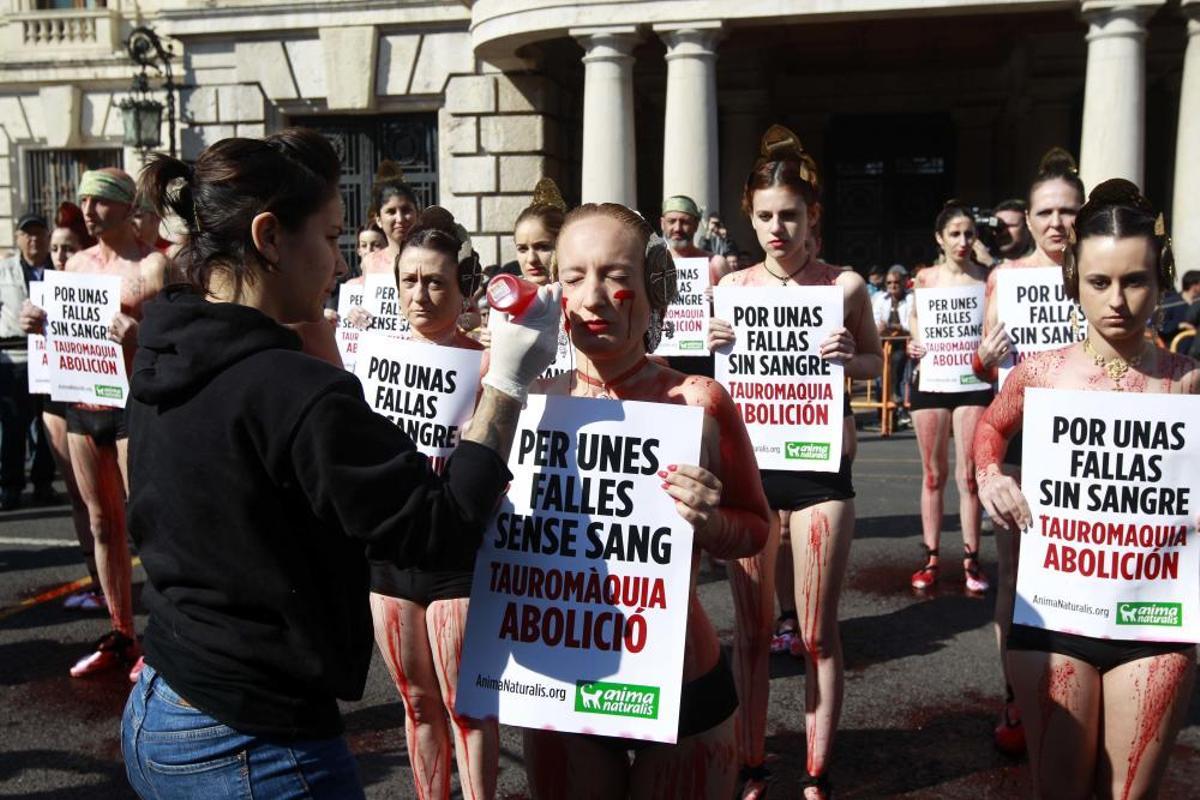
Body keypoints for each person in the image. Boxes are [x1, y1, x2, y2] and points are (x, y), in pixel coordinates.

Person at [120, 128, 562, 799]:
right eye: (328, 239)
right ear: (270, 238)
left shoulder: (166, 343)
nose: (338, 262)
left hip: (161, 701)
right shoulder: (293, 392)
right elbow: (438, 528)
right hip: (255, 740)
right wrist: (504, 381)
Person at [521, 201, 771, 800]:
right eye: (575, 277)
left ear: (654, 287)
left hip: (680, 676)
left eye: (616, 277)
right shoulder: (528, 400)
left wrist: (712, 525)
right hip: (561, 678)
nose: (592, 297)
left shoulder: (697, 402)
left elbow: (757, 527)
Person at [974, 179, 1197, 799]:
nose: (1118, 301)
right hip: (1056, 615)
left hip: (1154, 619)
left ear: (1161, 281)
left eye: (1136, 281)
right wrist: (991, 476)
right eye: (1100, 283)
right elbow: (991, 427)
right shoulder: (1042, 373)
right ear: (1073, 280)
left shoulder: (1187, 382)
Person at [708, 125, 883, 800]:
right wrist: (710, 337)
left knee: (814, 632)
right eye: (764, 215)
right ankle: (752, 765)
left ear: (813, 214)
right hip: (749, 472)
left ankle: (816, 771)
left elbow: (873, 361)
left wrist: (850, 355)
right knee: (751, 634)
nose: (777, 227)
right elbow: (700, 374)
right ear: (749, 217)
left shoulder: (843, 285)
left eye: (789, 214)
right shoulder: (728, 286)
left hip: (818, 474)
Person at [22, 168, 174, 679]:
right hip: (84, 405)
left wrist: (138, 332)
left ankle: (166, 639)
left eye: (100, 202)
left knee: (147, 523)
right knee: (101, 523)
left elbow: (177, 340)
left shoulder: (152, 266)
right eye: (84, 201)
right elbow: (57, 333)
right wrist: (35, 322)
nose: (88, 211)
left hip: (134, 405)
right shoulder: (76, 266)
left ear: (126, 207)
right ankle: (121, 632)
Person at [368, 207, 498, 800]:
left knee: (465, 706)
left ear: (461, 287)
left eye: (435, 281)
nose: (421, 295)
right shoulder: (373, 358)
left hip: (459, 556)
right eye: (410, 281)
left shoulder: (488, 360)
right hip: (390, 553)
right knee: (417, 703)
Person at [971, 147, 1084, 755]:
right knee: (1015, 577)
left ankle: (1075, 694)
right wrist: (983, 358)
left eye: (1069, 210)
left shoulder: (1098, 275)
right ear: (1029, 217)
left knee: (1082, 573)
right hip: (1020, 441)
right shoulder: (1006, 278)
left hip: (1085, 448)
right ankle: (1016, 697)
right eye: (1045, 211)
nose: (1057, 222)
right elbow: (982, 362)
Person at [904, 204, 993, 593]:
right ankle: (932, 557)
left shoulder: (987, 280)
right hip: (933, 380)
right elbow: (915, 323)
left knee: (969, 477)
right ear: (939, 238)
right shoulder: (924, 280)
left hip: (971, 379)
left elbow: (994, 326)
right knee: (933, 474)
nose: (962, 241)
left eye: (968, 234)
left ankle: (972, 559)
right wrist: (913, 344)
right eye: (954, 234)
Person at [36, 219, 101, 609]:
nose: (61, 255)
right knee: (77, 498)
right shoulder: (40, 291)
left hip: (95, 398)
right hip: (54, 397)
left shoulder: (96, 281)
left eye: (69, 247)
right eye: (56, 248)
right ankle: (94, 580)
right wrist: (30, 321)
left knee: (106, 501)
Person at [0, 213, 56, 509]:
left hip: (51, 357)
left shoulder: (61, 269)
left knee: (48, 423)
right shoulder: (3, 271)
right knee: (13, 426)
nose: (33, 239)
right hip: (15, 359)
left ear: (48, 236)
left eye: (38, 233)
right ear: (19, 238)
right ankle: (10, 486)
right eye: (27, 234)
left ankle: (44, 482)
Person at [874, 264, 913, 425]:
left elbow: (911, 324)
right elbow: (875, 321)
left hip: (904, 345)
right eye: (889, 283)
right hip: (883, 344)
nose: (892, 286)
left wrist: (893, 327)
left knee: (900, 372)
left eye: (896, 282)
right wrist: (880, 328)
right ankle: (882, 412)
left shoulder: (911, 298)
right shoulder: (880, 299)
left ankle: (902, 407)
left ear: (904, 282)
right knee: (879, 377)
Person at [1158, 269, 1200, 346]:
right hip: (1176, 347)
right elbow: (1160, 326)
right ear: (1194, 285)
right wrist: (1178, 325)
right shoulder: (1171, 303)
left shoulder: (1197, 304)